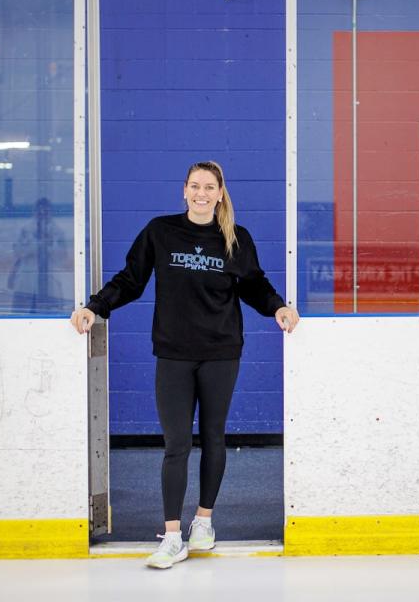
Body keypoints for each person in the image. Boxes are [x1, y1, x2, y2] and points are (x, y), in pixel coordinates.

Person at [69, 161, 299, 569]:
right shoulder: (160, 231)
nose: (202, 193)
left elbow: (255, 285)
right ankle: (172, 535)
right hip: (173, 353)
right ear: (184, 190)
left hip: (221, 352)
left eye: (210, 187)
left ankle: (204, 522)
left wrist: (278, 308)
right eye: (195, 186)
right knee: (176, 444)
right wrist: (95, 307)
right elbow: (130, 279)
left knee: (213, 436)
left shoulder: (235, 238)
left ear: (220, 192)